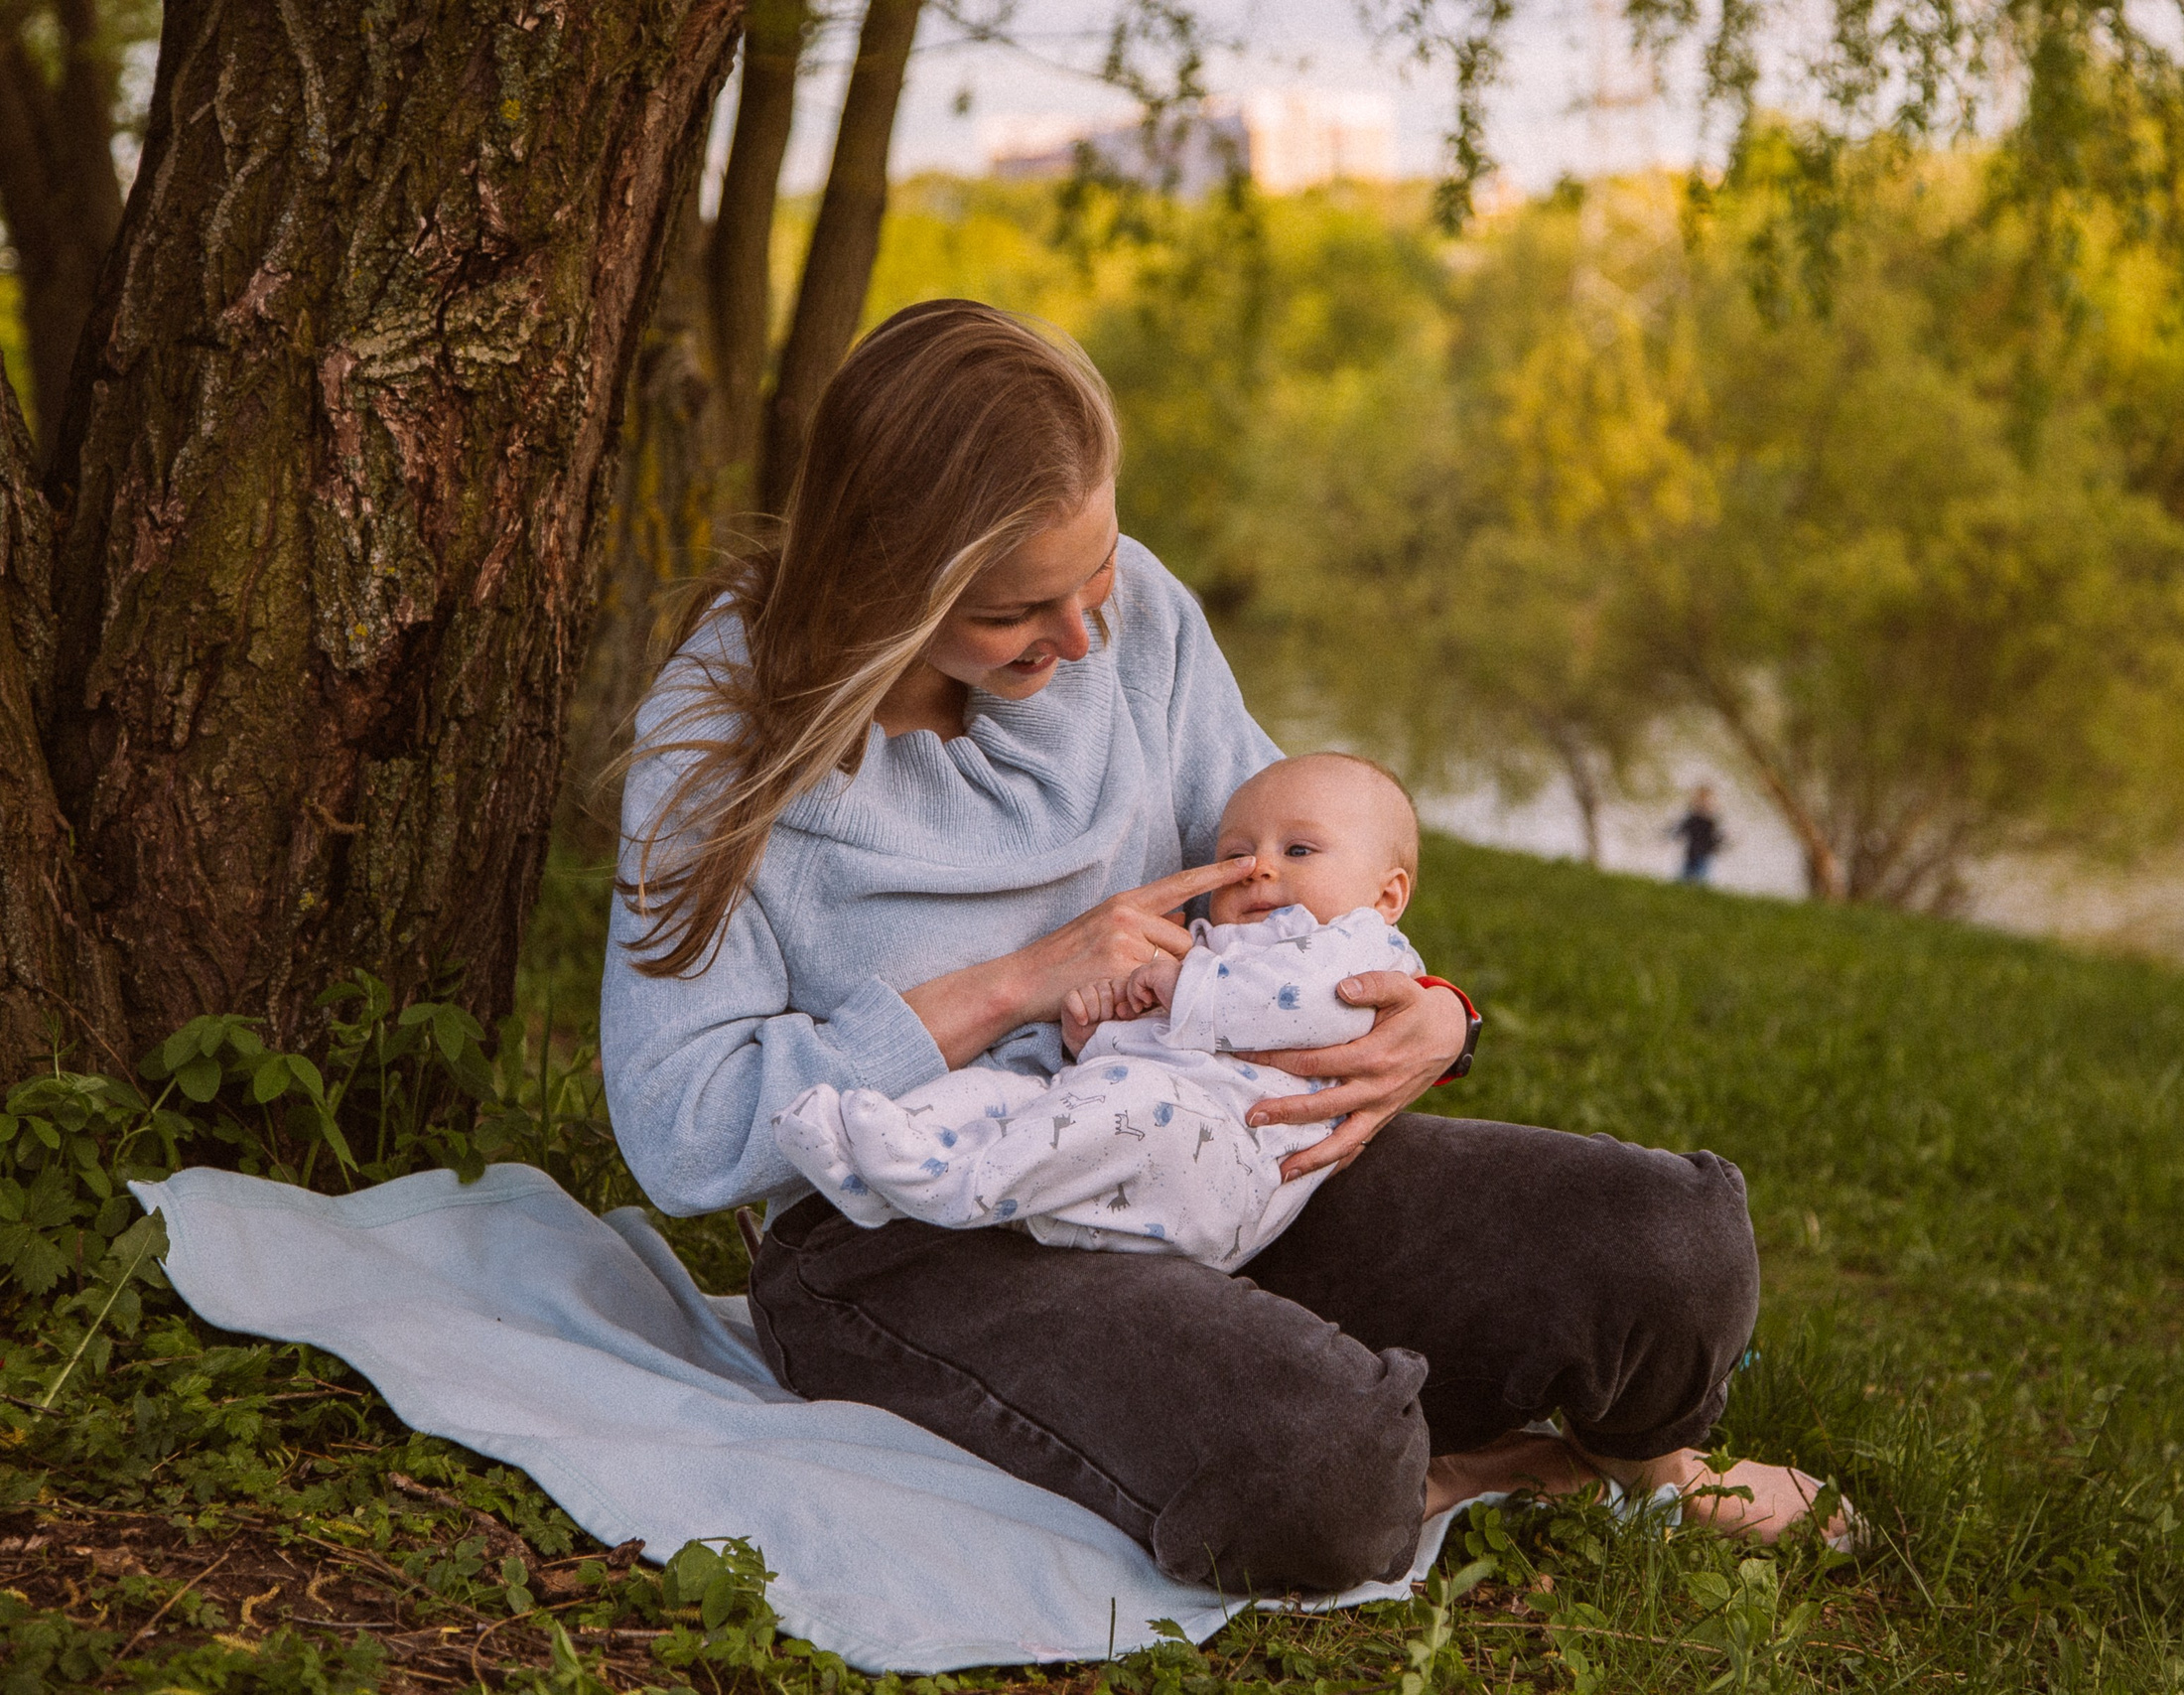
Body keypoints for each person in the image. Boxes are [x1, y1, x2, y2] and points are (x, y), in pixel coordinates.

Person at [600, 299, 1841, 1598]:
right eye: (1025, 609)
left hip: (1207, 1144)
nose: (1086, 636)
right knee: (1323, 1465)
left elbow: (1305, 863)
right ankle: (1469, 1462)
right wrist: (1021, 980)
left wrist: (1431, 1009)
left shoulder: (1132, 617)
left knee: (1676, 1242)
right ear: (888, 573)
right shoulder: (722, 743)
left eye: (1098, 573)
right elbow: (684, 1126)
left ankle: (1645, 1472)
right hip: (909, 1232)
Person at [769, 753, 1428, 1273]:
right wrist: (1098, 1027)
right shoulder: (1207, 948)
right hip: (1136, 1129)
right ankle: (866, 1151)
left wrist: (1179, 985)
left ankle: (950, 1186)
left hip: (1231, 1166)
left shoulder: (1363, 947)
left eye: (1299, 852)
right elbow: (1153, 1034)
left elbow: (1310, 1007)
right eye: (1235, 854)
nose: (1257, 868)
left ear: (1388, 892)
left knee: (1124, 1101)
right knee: (1009, 1093)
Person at [1672, 784, 1726, 884]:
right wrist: (1673, 835)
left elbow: (1717, 835)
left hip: (1704, 852)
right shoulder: (1692, 817)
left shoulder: (1710, 820)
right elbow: (1681, 829)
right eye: (1699, 800)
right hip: (1692, 851)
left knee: (1700, 874)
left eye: (1706, 800)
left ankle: (1697, 889)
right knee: (1686, 874)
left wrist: (1720, 843)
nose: (1702, 804)